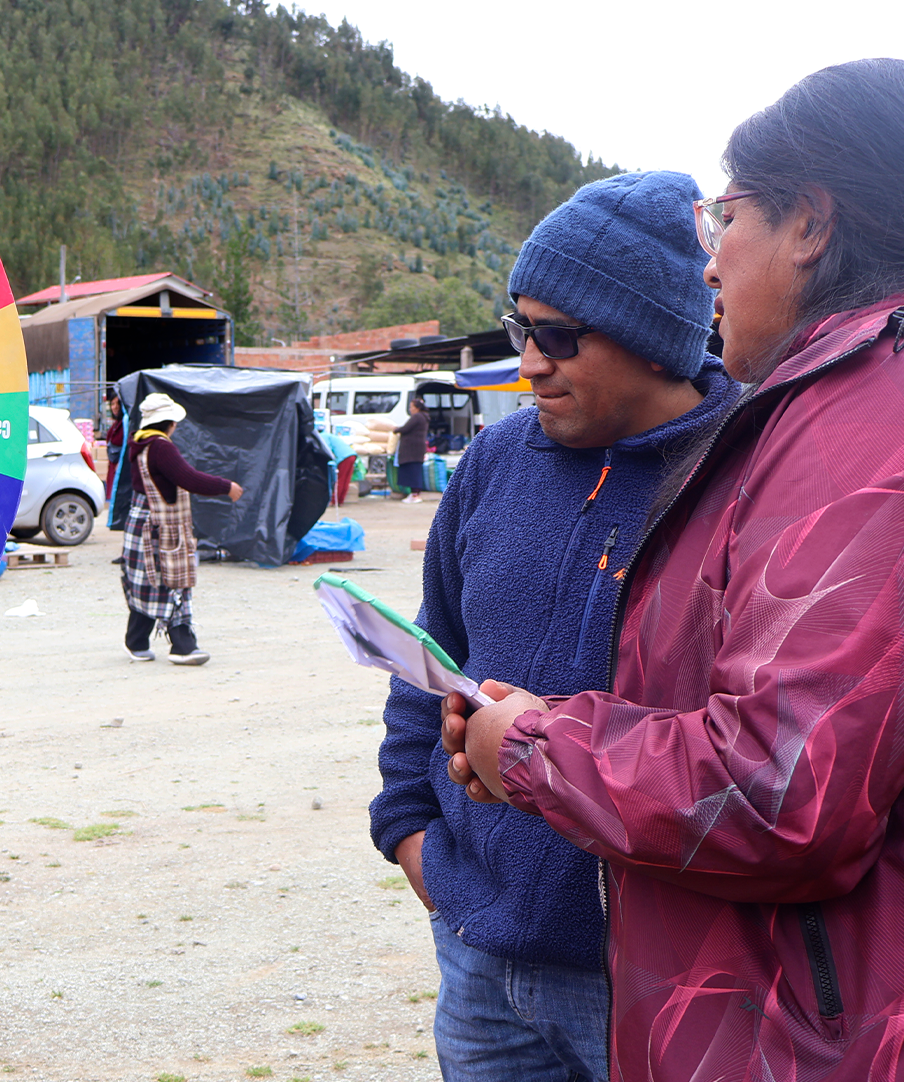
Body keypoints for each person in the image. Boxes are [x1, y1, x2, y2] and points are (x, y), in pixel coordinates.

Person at [445, 60, 904, 1080]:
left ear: (812, 224)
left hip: (887, 1040)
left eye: (727, 215)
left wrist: (529, 746)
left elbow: (778, 789)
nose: (708, 265)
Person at [371, 170, 740, 1082]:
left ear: (654, 340)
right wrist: (412, 835)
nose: (529, 361)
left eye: (559, 337)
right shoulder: (492, 462)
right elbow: (431, 659)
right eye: (520, 328)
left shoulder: (748, 471)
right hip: (478, 962)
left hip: (660, 975)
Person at [120, 392, 242, 665]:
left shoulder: (138, 444)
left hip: (141, 523)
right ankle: (183, 646)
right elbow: (188, 478)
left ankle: (136, 642)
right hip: (160, 528)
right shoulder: (161, 447)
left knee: (149, 582)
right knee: (171, 582)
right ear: (170, 423)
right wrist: (226, 487)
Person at [393, 396, 428, 503]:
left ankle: (415, 495)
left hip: (413, 449)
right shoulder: (423, 417)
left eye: (411, 407)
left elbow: (405, 428)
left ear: (417, 408)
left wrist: (396, 430)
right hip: (416, 449)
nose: (410, 409)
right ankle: (414, 493)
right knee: (415, 470)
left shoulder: (417, 417)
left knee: (414, 471)